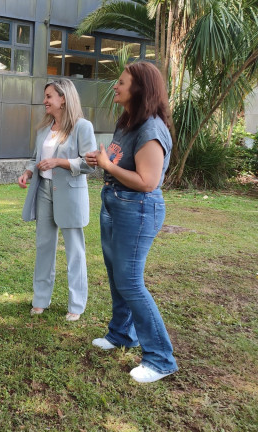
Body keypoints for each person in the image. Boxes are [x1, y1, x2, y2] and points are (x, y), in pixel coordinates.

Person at [85, 61, 178, 383]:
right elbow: (117, 162)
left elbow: (148, 181)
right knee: (117, 277)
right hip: (115, 203)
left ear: (139, 88)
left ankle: (161, 359)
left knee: (130, 282)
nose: (116, 86)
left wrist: (108, 167)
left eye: (121, 82)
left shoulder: (151, 129)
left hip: (137, 209)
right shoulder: (128, 122)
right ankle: (121, 335)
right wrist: (103, 162)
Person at [18, 79, 96, 321]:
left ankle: (76, 303)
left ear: (63, 98)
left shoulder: (83, 127)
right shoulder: (43, 129)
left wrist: (59, 162)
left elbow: (90, 164)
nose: (45, 101)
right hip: (43, 190)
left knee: (75, 250)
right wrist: (28, 171)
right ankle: (41, 298)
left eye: (49, 96)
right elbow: (35, 157)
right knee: (43, 246)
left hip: (70, 194)